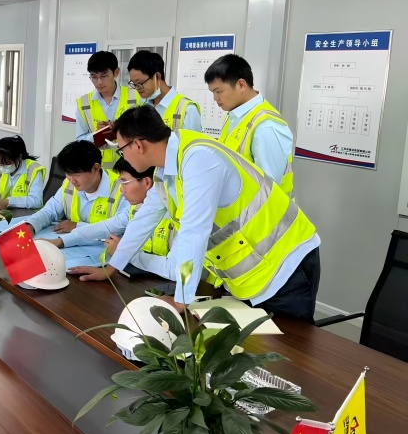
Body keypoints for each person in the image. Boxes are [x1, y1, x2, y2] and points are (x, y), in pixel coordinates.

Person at [69, 106, 321, 324]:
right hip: (252, 272)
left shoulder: (199, 159)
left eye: (121, 149)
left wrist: (181, 300)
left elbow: (194, 233)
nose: (122, 156)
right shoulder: (166, 170)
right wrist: (111, 268)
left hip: (286, 264)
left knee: (290, 352)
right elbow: (143, 220)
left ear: (138, 145)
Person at [204, 54, 294, 197]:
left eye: (219, 91)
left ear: (241, 85)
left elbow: (267, 191)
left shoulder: (266, 127)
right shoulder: (235, 116)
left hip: (263, 211)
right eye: (213, 92)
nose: (215, 98)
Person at [25, 141, 129, 247]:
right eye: (67, 173)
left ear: (95, 168)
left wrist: (77, 226)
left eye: (76, 174)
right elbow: (49, 211)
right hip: (73, 247)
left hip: (103, 249)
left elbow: (117, 229)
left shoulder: (123, 189)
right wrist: (31, 225)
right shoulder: (69, 184)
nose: (71, 180)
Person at [75, 51, 140, 169]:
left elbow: (146, 133)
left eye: (104, 76)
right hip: (98, 168)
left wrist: (121, 129)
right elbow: (79, 141)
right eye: (94, 77)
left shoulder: (136, 96)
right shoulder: (83, 103)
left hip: (130, 166)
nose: (99, 82)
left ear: (116, 72)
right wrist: (96, 135)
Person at [127, 50, 202, 131]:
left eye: (140, 82)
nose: (137, 88)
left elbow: (194, 139)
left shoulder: (187, 109)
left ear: (157, 77)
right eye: (134, 83)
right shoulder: (143, 107)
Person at [0, 136, 46, 210]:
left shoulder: (33, 170)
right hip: (3, 211)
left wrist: (9, 201)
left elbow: (37, 201)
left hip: (26, 213)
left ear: (19, 157)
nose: (2, 167)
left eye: (7, 163)